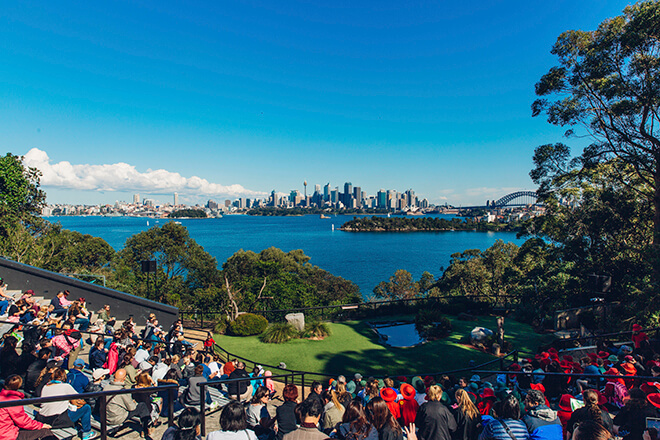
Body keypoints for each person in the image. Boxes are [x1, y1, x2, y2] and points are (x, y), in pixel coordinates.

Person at [36, 368, 93, 440]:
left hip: (43, 417)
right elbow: (79, 399)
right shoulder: (66, 386)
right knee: (86, 408)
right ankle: (87, 432)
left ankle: (78, 427)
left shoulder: (45, 386)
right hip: (57, 420)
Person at [0, 375, 57, 440]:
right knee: (45, 432)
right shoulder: (13, 400)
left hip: (4, 431)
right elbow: (23, 421)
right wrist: (41, 425)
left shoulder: (2, 396)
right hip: (6, 435)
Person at [103, 368, 152, 437]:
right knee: (142, 406)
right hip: (116, 418)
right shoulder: (122, 391)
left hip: (106, 416)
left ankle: (147, 424)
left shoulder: (106, 387)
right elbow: (132, 408)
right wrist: (134, 402)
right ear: (124, 378)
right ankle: (145, 429)